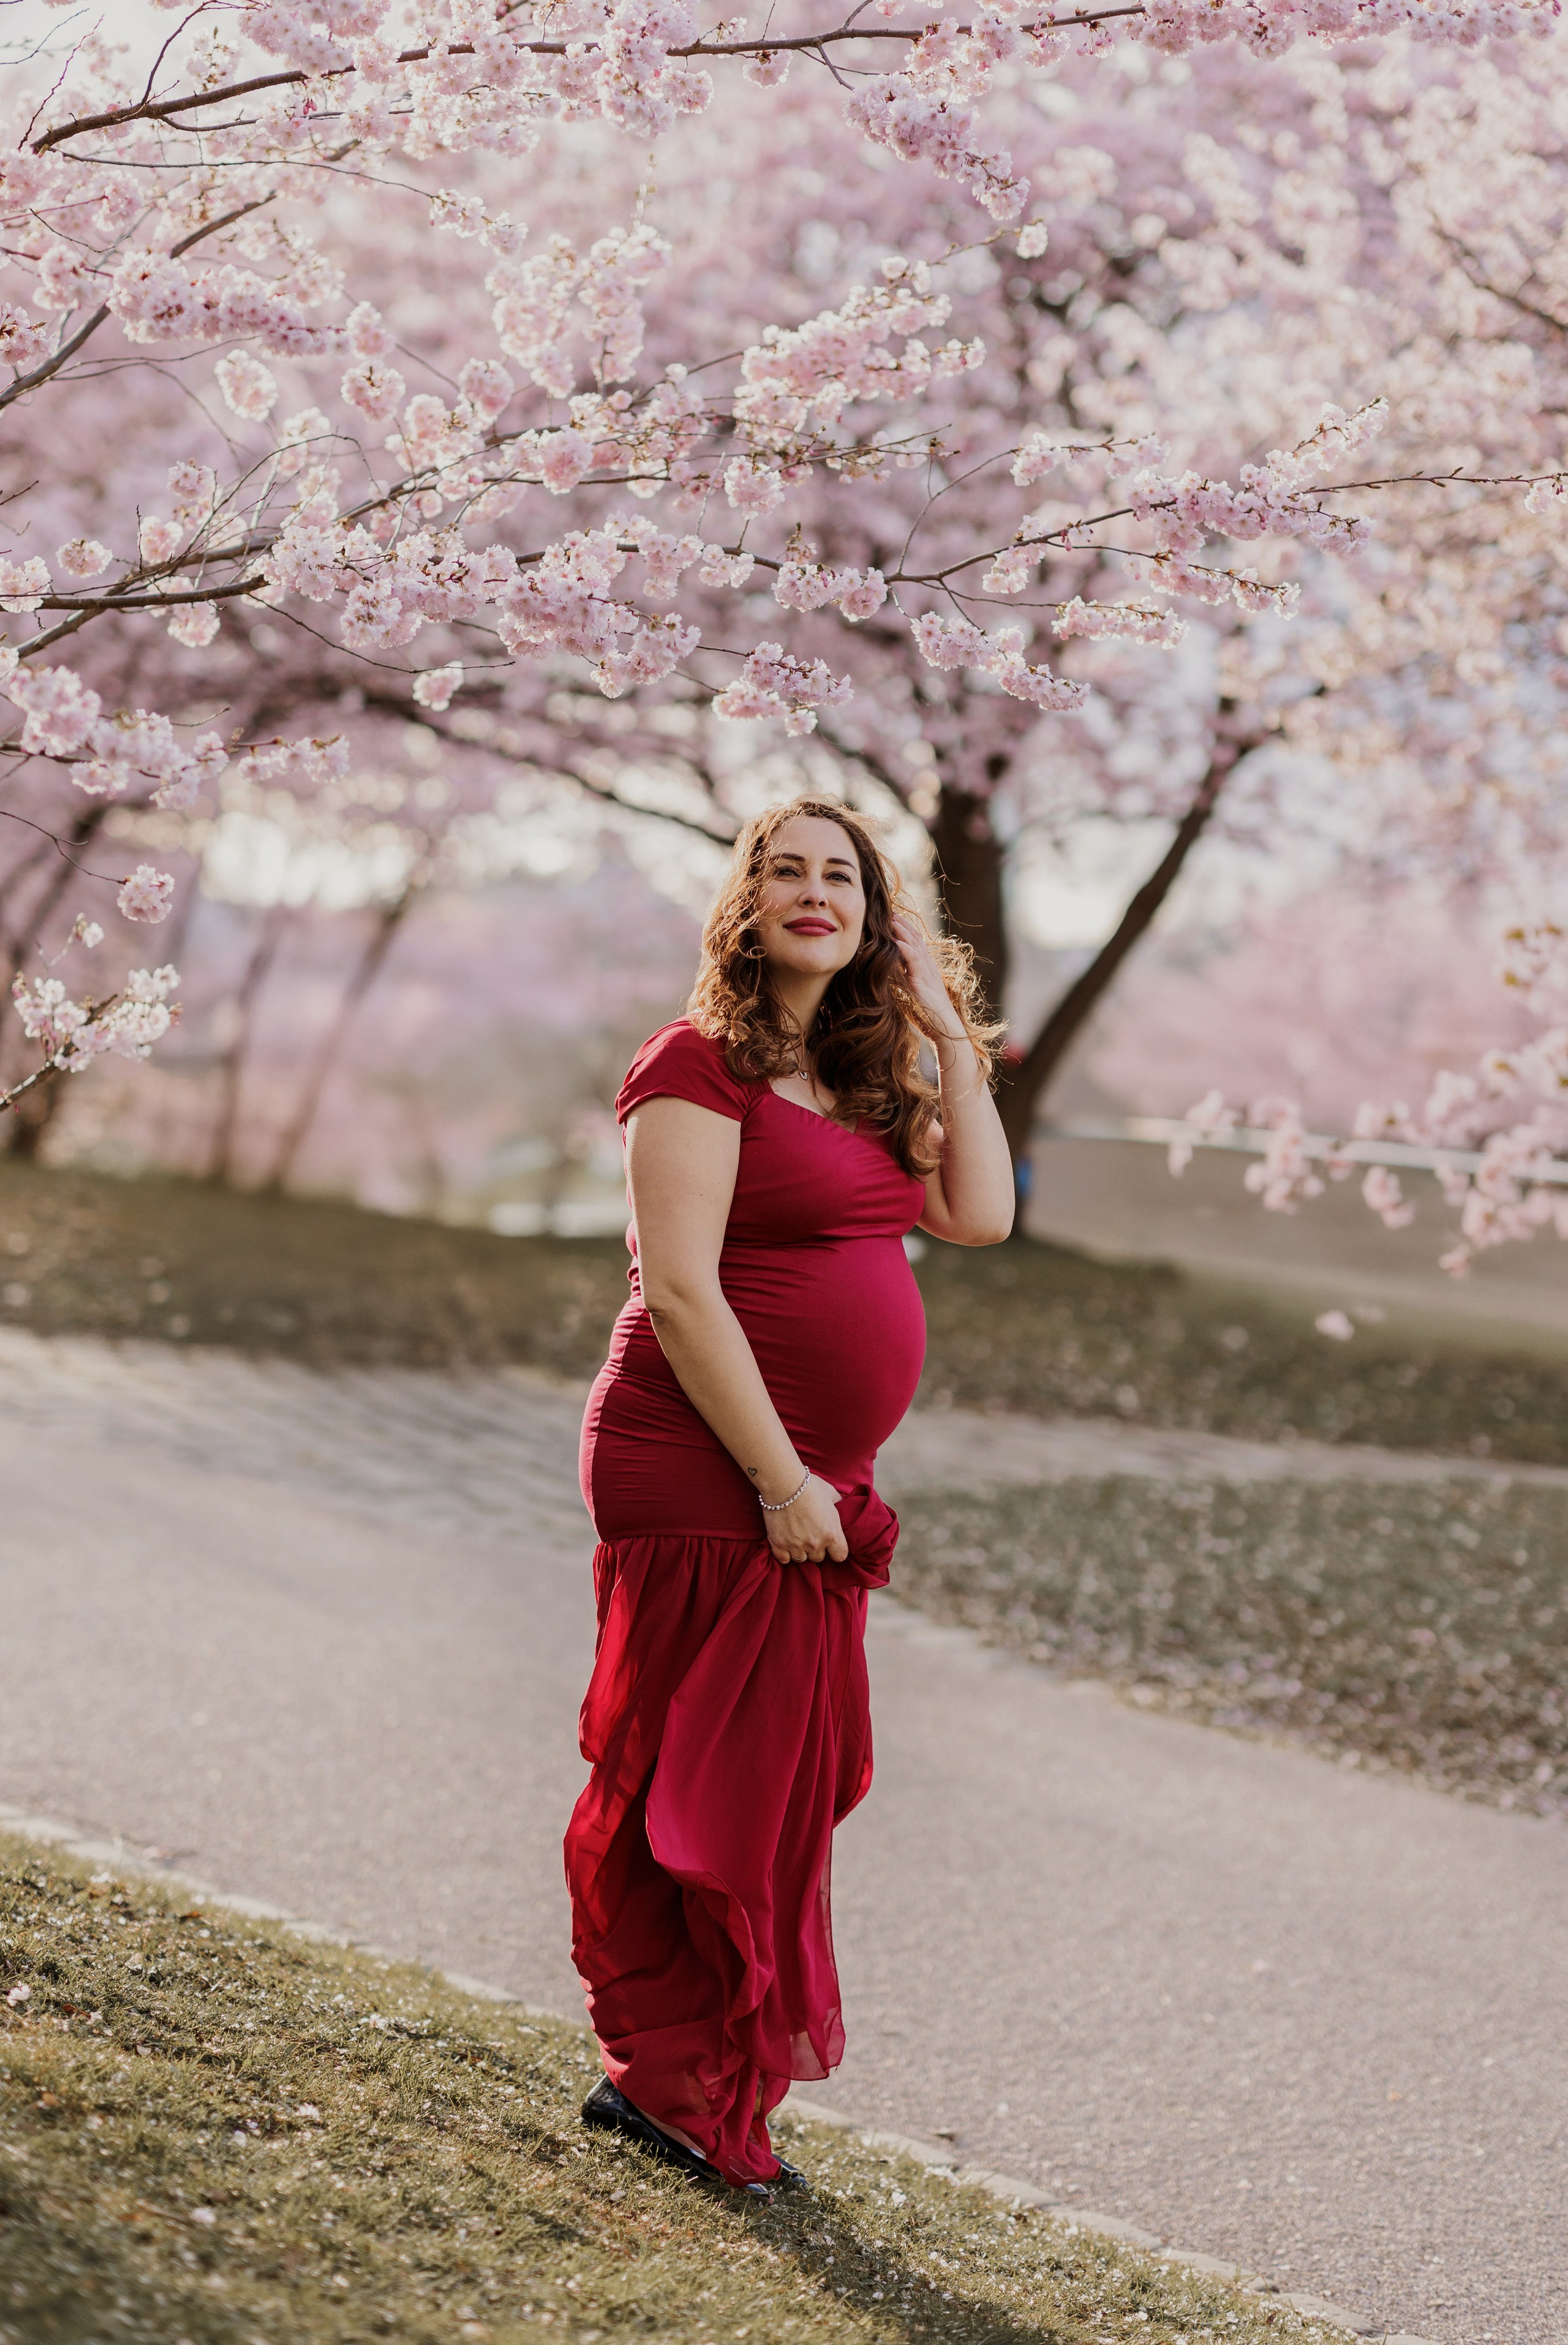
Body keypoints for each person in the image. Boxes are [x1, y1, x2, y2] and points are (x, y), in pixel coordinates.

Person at [564, 795, 1016, 2196]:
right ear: (744, 906)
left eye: (844, 876)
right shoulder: (696, 1063)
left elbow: (981, 1216)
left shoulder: (874, 1078)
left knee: (770, 1791)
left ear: (878, 915)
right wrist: (778, 1481)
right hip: (707, 1461)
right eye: (786, 872)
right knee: (690, 1773)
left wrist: (947, 1035)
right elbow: (682, 1291)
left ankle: (692, 2084)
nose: (815, 892)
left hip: (816, 1482)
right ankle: (661, 2079)